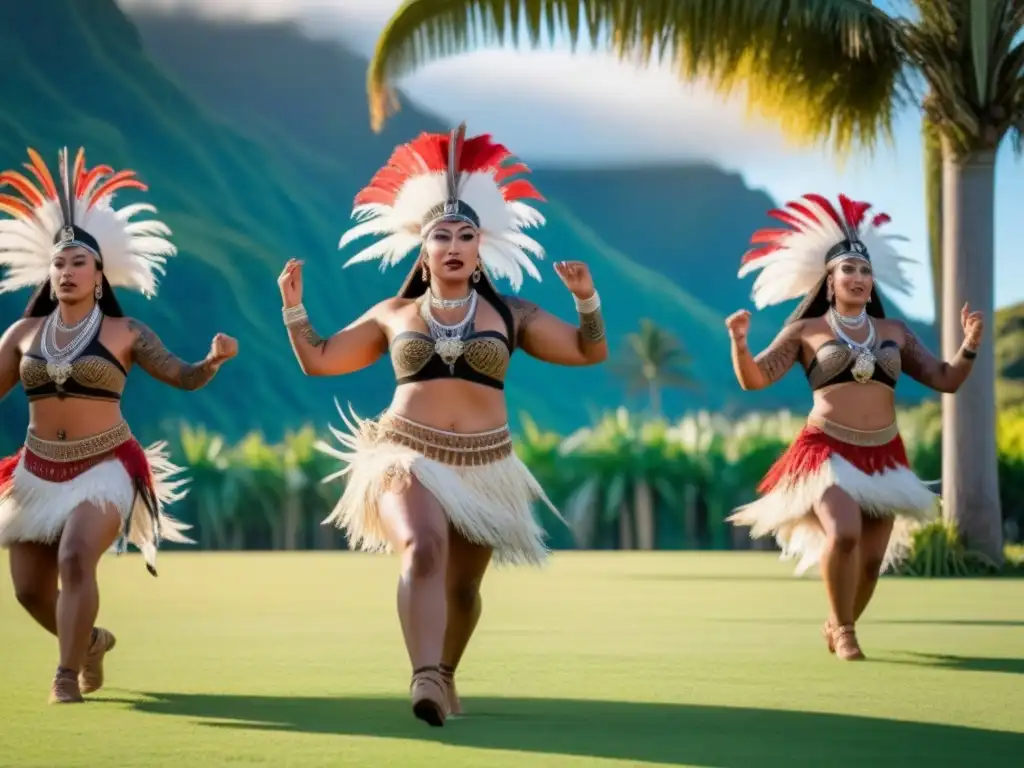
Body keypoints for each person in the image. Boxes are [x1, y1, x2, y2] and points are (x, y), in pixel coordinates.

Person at [279, 124, 607, 726]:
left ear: (481, 247)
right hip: (406, 456)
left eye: (465, 234)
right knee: (423, 549)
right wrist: (293, 306)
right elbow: (321, 359)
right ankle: (424, 677)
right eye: (441, 235)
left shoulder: (515, 314)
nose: (453, 244)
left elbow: (588, 351)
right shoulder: (394, 314)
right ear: (422, 248)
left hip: (487, 466)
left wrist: (587, 300)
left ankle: (447, 671)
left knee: (462, 589)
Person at [0, 146, 238, 703]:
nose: (65, 272)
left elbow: (180, 375)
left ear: (100, 273)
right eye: (58, 264)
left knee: (75, 555)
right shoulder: (21, 335)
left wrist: (211, 362)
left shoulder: (128, 332)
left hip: (105, 466)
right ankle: (90, 644)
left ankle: (65, 677)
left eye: (78, 263)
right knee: (30, 591)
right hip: (35, 472)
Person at [724, 193, 982, 661]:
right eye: (849, 270)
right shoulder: (806, 332)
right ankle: (844, 631)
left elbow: (946, 379)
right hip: (825, 453)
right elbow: (755, 379)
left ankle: (838, 622)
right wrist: (740, 342)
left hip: (884, 455)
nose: (859, 278)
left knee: (870, 562)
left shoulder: (895, 332)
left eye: (865, 272)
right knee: (844, 534)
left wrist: (970, 345)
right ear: (830, 280)